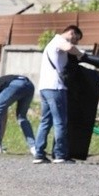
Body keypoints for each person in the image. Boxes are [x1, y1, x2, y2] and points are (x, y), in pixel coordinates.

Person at [33, 25, 84, 164]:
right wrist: (80, 54)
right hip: (56, 87)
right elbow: (69, 48)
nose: (75, 43)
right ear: (71, 33)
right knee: (60, 122)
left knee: (45, 121)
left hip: (44, 87)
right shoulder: (59, 41)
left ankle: (39, 154)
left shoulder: (51, 43)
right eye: (76, 39)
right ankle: (60, 155)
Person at [0, 75, 36, 156]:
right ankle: (34, 147)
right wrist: (0, 141)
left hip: (16, 84)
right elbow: (3, 118)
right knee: (21, 117)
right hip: (29, 85)